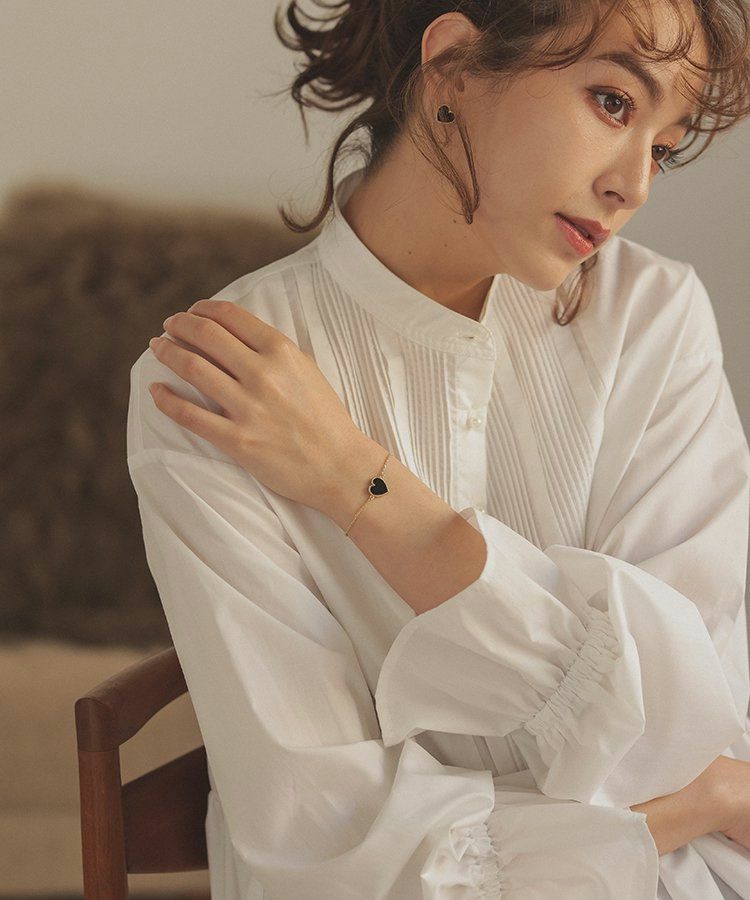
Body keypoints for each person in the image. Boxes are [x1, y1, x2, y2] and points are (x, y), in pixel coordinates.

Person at [127, 0, 750, 897]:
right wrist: (694, 806)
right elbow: (326, 842)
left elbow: (687, 731)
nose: (634, 186)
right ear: (455, 65)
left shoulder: (652, 319)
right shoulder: (215, 382)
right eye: (614, 103)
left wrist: (360, 485)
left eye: (664, 147)